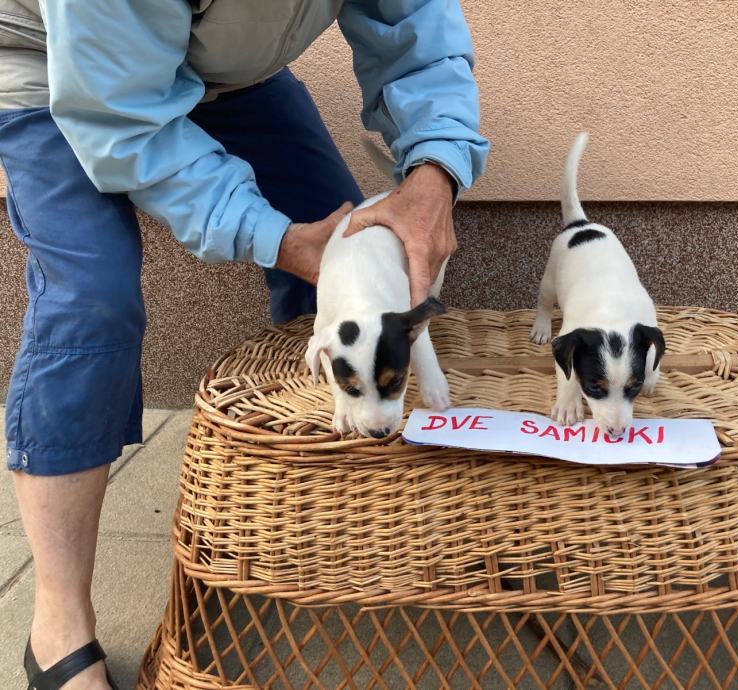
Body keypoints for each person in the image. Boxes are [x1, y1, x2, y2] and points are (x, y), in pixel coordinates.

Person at [0, 0, 489, 687]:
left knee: (345, 254)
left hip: (225, 74)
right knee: (90, 300)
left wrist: (435, 170)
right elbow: (121, 118)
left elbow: (415, 28)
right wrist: (277, 239)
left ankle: (328, 519)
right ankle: (58, 622)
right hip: (58, 70)